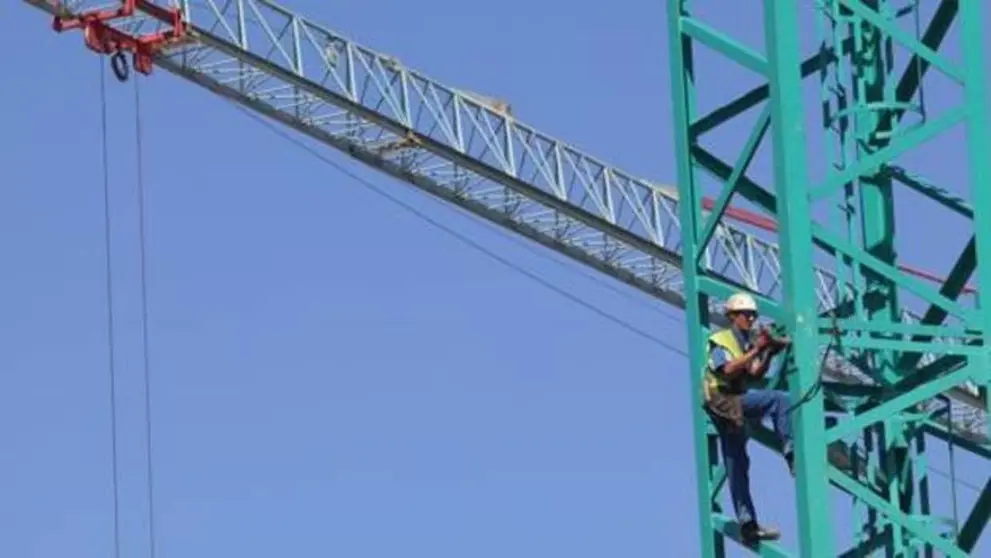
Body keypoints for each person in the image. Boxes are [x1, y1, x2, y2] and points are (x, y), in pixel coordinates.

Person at [702, 291, 794, 543]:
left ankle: (748, 525)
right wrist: (758, 349)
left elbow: (754, 373)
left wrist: (768, 353)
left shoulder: (744, 342)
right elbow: (728, 369)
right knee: (779, 400)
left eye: (753, 315)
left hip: (734, 401)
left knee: (737, 464)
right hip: (722, 400)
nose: (751, 319)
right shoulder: (720, 339)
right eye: (746, 314)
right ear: (733, 316)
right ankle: (791, 451)